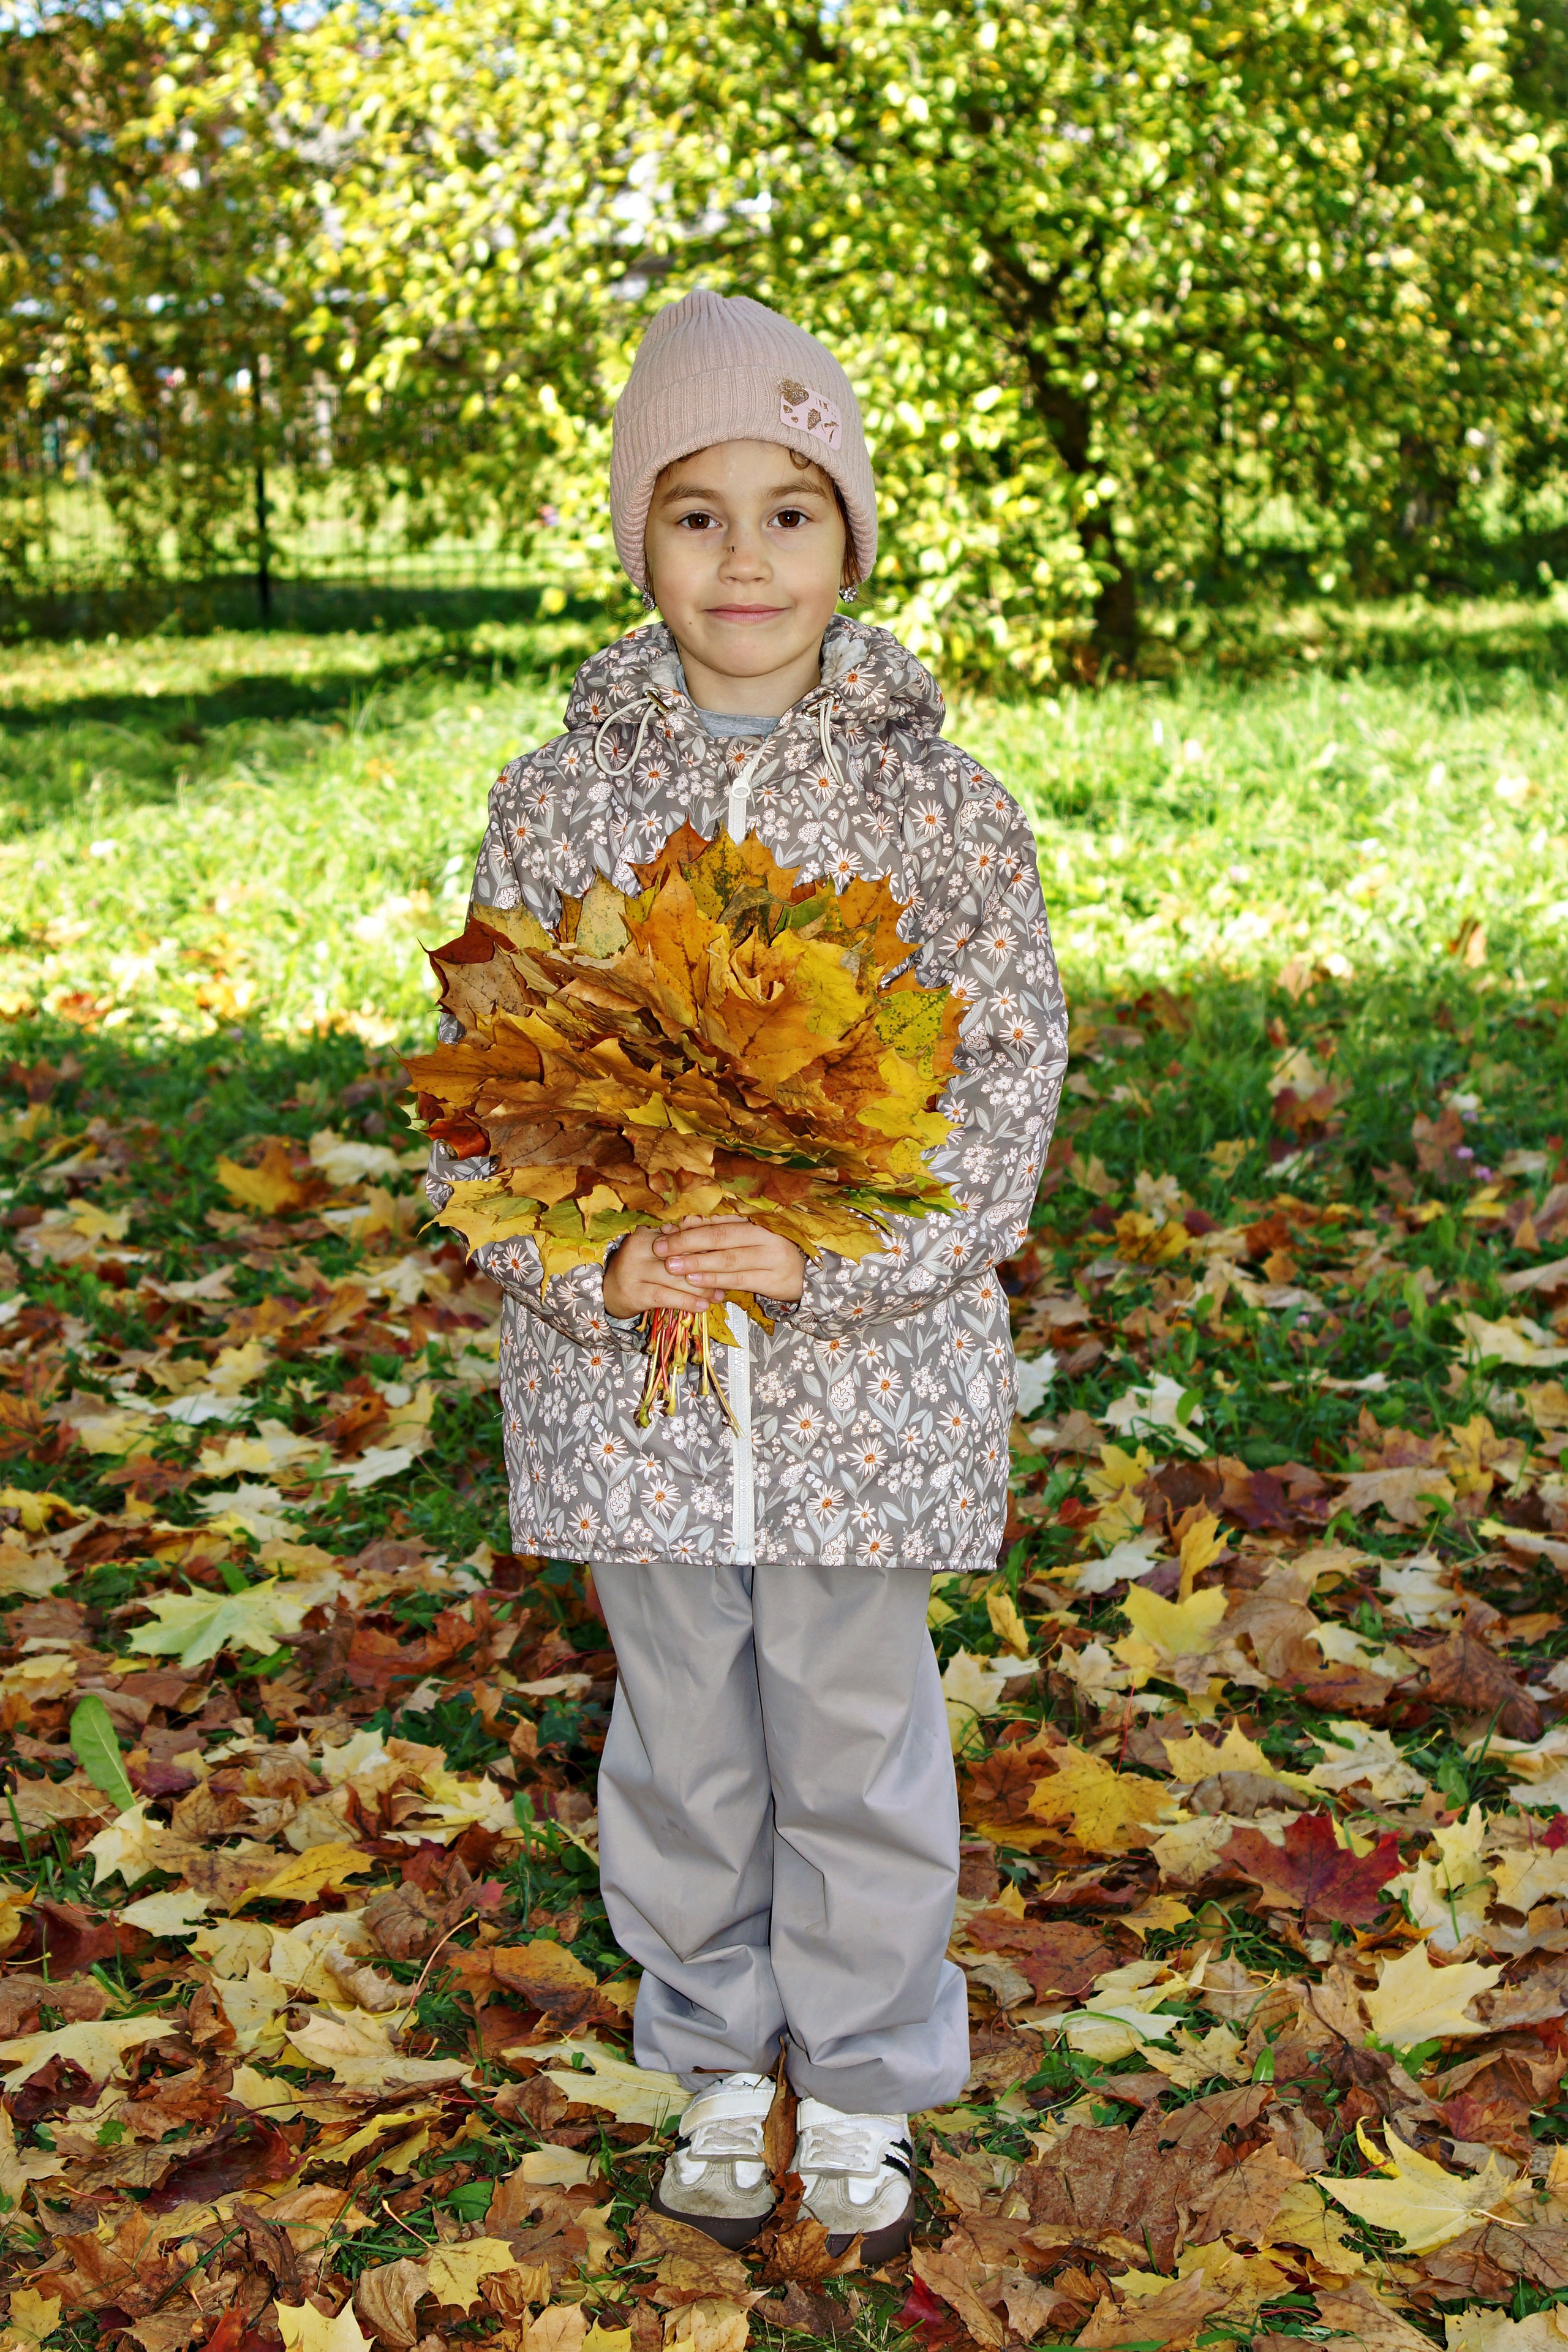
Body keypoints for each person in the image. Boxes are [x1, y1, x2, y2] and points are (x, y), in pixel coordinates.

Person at [428, 291, 1068, 2259]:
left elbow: (1007, 1076)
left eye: (792, 512)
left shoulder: (940, 807)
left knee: (853, 1730)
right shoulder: (560, 800)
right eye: (694, 513)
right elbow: (488, 1092)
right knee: (683, 1734)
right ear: (639, 540)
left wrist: (832, 1257)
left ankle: (865, 2073)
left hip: (858, 1389)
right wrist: (587, 1263)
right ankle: (715, 2042)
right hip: (637, 1395)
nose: (744, 560)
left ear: (851, 540)